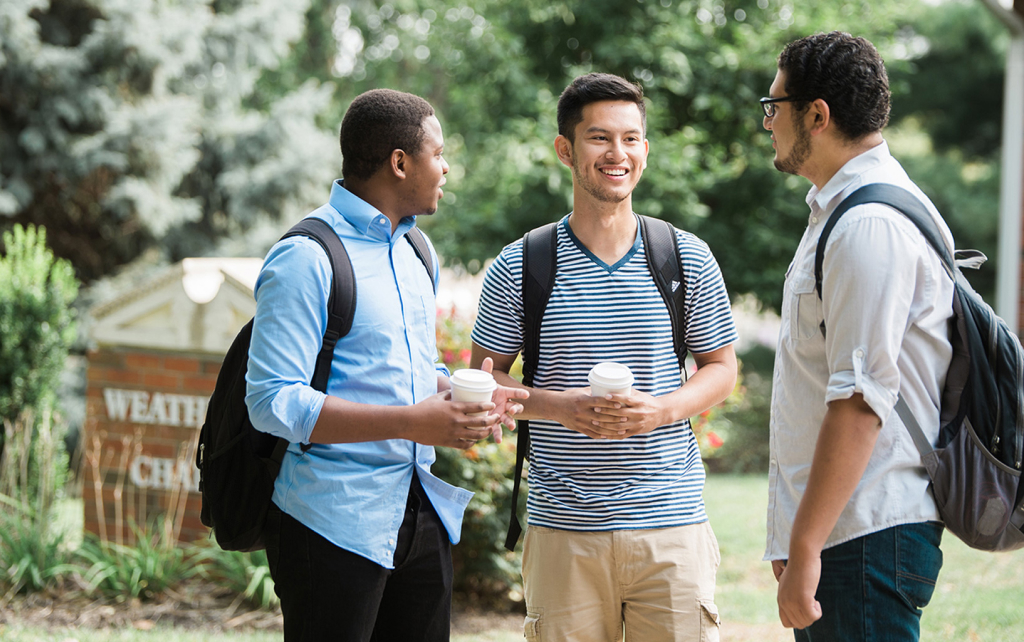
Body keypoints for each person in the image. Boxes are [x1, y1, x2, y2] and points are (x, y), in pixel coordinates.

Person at [244, 88, 527, 642]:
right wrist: (409, 421)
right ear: (400, 163)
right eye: (438, 153)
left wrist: (456, 396)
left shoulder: (418, 251)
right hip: (329, 522)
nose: (447, 167)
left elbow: (406, 371)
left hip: (420, 513)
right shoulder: (307, 256)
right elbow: (271, 401)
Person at [471, 73, 738, 642]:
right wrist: (558, 407)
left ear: (644, 148)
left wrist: (661, 411)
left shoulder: (684, 256)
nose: (618, 154)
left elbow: (721, 368)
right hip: (562, 533)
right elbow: (483, 376)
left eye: (632, 138)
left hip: (671, 529)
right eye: (599, 138)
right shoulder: (522, 263)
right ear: (565, 150)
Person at [762, 32, 952, 640]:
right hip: (849, 535)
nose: (768, 123)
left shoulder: (868, 223)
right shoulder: (843, 210)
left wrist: (807, 542)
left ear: (816, 115)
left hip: (863, 537)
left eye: (775, 107)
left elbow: (859, 400)